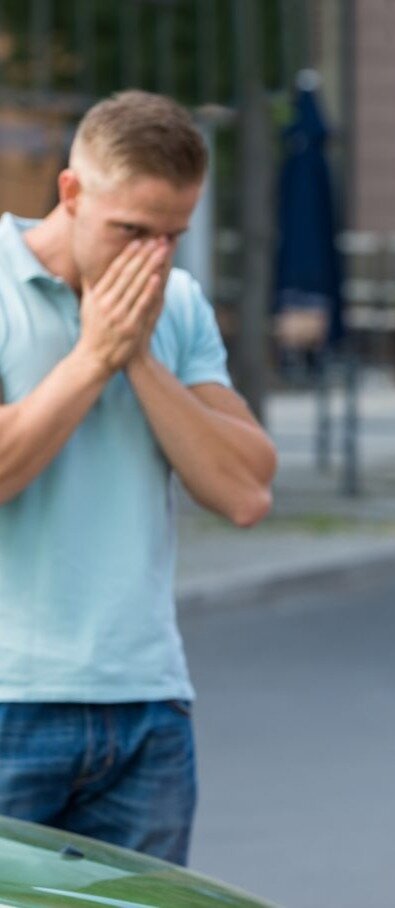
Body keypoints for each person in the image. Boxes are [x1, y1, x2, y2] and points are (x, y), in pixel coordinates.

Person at [0, 90, 277, 865]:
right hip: (9, 701)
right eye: (130, 231)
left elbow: (246, 488)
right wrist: (92, 358)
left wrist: (138, 358)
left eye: (171, 237)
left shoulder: (172, 304)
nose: (150, 259)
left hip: (147, 704)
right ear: (71, 193)